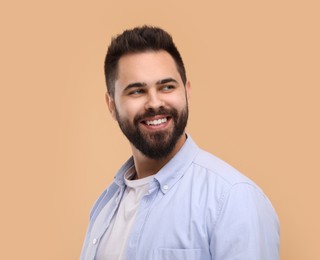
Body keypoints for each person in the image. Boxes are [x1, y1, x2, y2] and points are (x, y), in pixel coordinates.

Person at [80, 25, 280, 260]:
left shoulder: (232, 199)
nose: (154, 103)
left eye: (167, 87)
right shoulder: (105, 208)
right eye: (136, 91)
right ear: (111, 105)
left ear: (187, 92)